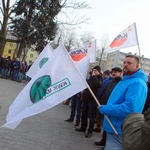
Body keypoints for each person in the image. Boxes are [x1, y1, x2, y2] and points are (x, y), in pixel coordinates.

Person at [99, 54, 148, 150]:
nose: (125, 64)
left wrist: (105, 109)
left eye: (129, 63)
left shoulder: (137, 83)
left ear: (137, 66)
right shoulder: (124, 80)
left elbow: (130, 108)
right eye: (124, 62)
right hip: (113, 127)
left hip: (120, 130)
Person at [95, 67, 123, 149]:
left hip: (111, 107)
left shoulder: (120, 83)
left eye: (116, 72)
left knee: (110, 126)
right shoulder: (110, 82)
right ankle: (103, 141)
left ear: (121, 73)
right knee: (105, 124)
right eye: (113, 72)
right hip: (105, 105)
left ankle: (106, 144)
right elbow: (104, 91)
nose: (114, 73)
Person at [75, 65, 103, 138]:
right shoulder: (91, 77)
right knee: (84, 113)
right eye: (93, 70)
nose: (94, 72)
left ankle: (90, 131)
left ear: (99, 72)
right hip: (86, 98)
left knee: (91, 116)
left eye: (95, 71)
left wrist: (94, 77)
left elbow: (97, 85)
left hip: (93, 100)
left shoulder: (100, 78)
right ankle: (83, 127)